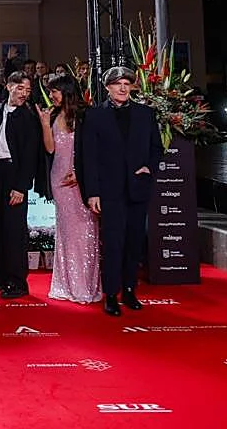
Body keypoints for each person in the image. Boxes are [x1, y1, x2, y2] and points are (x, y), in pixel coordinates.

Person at [81, 65, 164, 317]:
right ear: (108, 87)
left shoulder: (145, 114)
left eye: (127, 83)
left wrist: (148, 168)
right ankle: (111, 295)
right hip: (109, 191)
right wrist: (92, 192)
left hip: (137, 189)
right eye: (118, 84)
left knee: (134, 242)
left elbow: (156, 148)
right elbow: (88, 157)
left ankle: (129, 290)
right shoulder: (94, 115)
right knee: (114, 244)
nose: (123, 88)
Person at [38, 74, 101, 304]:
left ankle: (85, 285)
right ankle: (66, 284)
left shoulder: (86, 115)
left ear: (66, 91)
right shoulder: (53, 115)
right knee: (66, 234)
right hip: (59, 180)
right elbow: (50, 148)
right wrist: (45, 124)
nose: (52, 95)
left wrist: (80, 172)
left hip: (80, 181)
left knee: (86, 233)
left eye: (55, 91)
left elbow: (94, 149)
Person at [0, 72, 40, 299]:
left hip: (14, 175)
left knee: (14, 230)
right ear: (8, 87)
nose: (24, 93)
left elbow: (30, 155)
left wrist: (21, 187)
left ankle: (17, 281)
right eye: (20, 88)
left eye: (27, 89)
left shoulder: (28, 117)